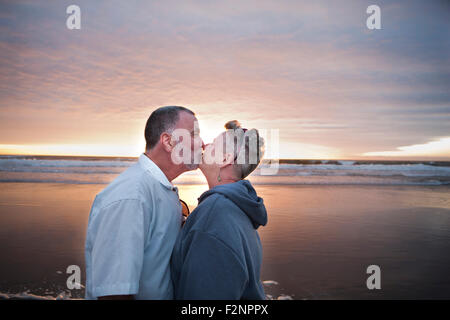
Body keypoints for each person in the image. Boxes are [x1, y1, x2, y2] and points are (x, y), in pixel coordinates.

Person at [85, 106, 203, 300]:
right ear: (168, 141)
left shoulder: (160, 188)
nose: (202, 143)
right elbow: (114, 293)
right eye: (194, 135)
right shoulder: (131, 197)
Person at [171, 120, 268, 300]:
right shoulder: (239, 207)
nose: (204, 145)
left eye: (213, 144)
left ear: (225, 159)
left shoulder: (215, 214)